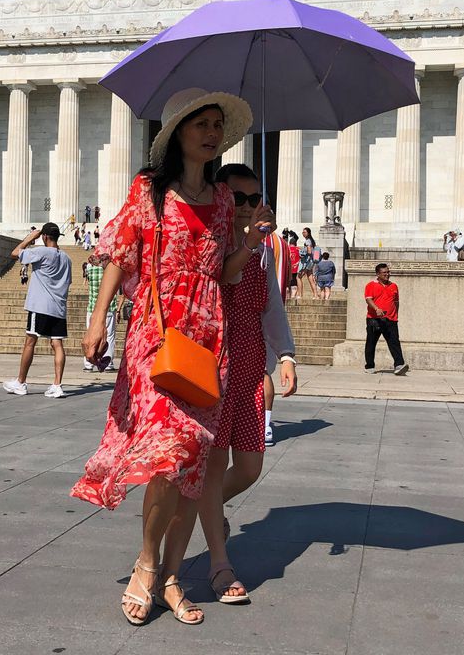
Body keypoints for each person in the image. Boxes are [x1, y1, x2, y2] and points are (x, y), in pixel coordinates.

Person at [73, 87, 267, 627]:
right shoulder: (147, 190)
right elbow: (119, 253)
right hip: (156, 331)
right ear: (177, 131)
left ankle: (171, 574)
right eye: (200, 123)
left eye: (215, 126)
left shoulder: (226, 201)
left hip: (208, 336)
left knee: (192, 460)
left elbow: (226, 273)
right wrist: (98, 317)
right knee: (167, 447)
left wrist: (248, 241)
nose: (210, 133)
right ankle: (146, 562)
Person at [196, 163, 296, 604]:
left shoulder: (262, 249)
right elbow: (225, 276)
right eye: (238, 198)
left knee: (251, 467)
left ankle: (204, 507)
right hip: (215, 368)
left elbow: (271, 304)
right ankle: (221, 566)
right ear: (220, 198)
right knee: (215, 467)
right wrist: (250, 240)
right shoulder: (210, 240)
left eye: (254, 199)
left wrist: (287, 355)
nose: (247, 206)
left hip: (252, 366)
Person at [3, 222, 72, 398]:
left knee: (30, 342)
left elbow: (15, 253)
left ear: (45, 237)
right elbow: (68, 282)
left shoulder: (41, 252)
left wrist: (29, 238)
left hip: (40, 305)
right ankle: (57, 385)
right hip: (58, 306)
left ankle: (21, 382)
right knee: (57, 344)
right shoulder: (67, 258)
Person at [364, 263, 408, 375]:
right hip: (374, 319)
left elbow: (396, 302)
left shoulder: (394, 286)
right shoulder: (371, 285)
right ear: (378, 274)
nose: (387, 274)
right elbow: (368, 299)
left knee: (394, 342)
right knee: (371, 343)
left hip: (391, 319)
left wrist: (395, 315)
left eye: (388, 272)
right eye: (384, 273)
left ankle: (399, 365)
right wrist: (376, 308)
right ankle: (369, 366)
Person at [82, 259, 118, 372]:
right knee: (109, 337)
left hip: (92, 307)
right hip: (109, 306)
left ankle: (88, 363)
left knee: (90, 333)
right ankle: (108, 363)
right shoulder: (109, 269)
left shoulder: (89, 267)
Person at [298, 227, 318, 299]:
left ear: (308, 233)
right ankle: (315, 295)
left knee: (298, 277)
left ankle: (300, 295)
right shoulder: (312, 241)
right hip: (311, 261)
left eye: (304, 232)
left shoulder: (307, 241)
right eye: (303, 232)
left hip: (307, 262)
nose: (303, 233)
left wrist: (302, 251)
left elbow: (309, 251)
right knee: (310, 279)